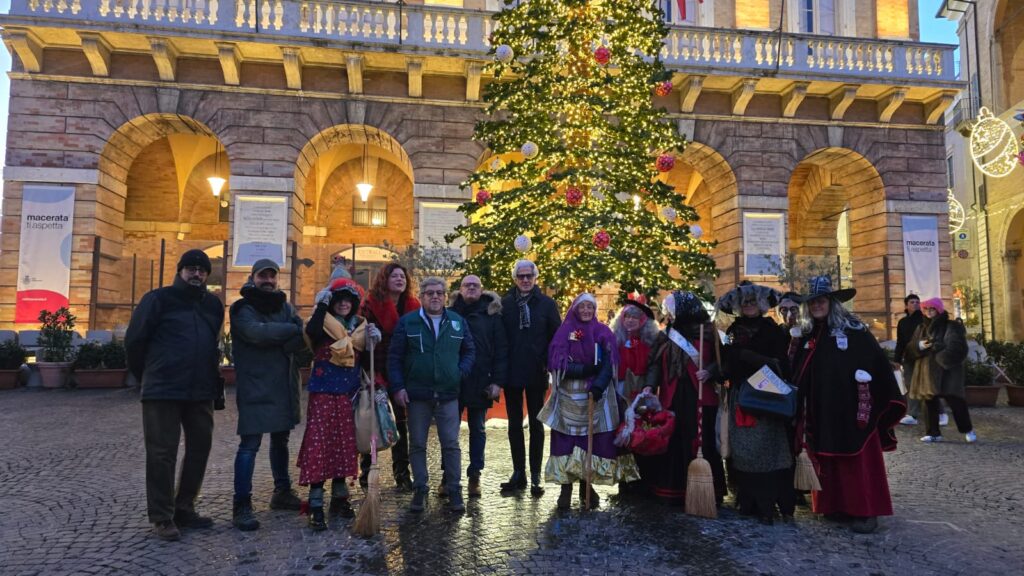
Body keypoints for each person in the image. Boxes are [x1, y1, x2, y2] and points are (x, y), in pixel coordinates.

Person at [792, 276, 905, 534]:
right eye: (812, 303)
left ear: (832, 302)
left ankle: (866, 511)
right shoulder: (809, 334)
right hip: (823, 409)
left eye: (821, 301)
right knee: (828, 458)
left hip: (854, 409)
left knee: (858, 460)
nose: (817, 306)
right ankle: (834, 506)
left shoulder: (855, 330)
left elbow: (876, 364)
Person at [125, 249, 224, 541]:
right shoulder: (157, 299)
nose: (196, 273)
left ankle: (185, 507)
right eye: (191, 268)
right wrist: (148, 376)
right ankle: (162, 516)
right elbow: (135, 342)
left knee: (200, 448)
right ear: (180, 271)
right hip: (163, 389)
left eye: (201, 270)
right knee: (161, 454)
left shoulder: (212, 305)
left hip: (201, 388)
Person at [539, 293, 639, 510]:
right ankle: (565, 489)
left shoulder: (603, 332)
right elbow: (558, 362)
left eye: (590, 307)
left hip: (594, 396)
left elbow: (607, 364)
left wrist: (598, 385)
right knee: (566, 442)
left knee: (589, 442)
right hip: (568, 397)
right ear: (575, 309)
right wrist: (582, 370)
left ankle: (586, 486)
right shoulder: (564, 332)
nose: (586, 311)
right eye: (582, 307)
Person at [229, 259, 307, 531]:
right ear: (253, 277)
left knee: (281, 441)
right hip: (256, 386)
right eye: (263, 276)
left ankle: (282, 491)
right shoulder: (242, 308)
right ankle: (241, 504)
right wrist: (288, 331)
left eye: (272, 276)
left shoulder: (285, 307)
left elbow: (301, 338)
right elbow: (255, 333)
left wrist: (285, 335)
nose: (269, 281)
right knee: (249, 446)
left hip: (283, 385)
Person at [298, 276, 381, 530]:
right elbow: (310, 334)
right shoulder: (321, 323)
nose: (343, 304)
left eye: (348, 300)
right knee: (320, 445)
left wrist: (373, 342)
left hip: (349, 393)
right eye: (339, 300)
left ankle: (339, 499)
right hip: (323, 393)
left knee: (345, 447)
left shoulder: (359, 326)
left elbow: (366, 359)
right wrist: (321, 306)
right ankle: (315, 503)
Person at [388, 277, 476, 513]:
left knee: (451, 443)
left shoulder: (457, 322)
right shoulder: (408, 323)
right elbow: (394, 357)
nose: (435, 296)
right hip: (417, 394)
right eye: (429, 293)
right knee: (417, 443)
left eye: (439, 292)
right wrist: (398, 387)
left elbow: (469, 350)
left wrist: (460, 372)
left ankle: (455, 488)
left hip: (448, 393)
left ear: (446, 296)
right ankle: (420, 488)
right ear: (422, 296)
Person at [717, 282, 793, 524]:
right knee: (742, 452)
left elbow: (781, 364)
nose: (749, 306)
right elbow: (727, 362)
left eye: (752, 302)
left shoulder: (773, 330)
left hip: (767, 398)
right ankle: (748, 501)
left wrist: (751, 357)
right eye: (745, 303)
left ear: (760, 304)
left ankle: (770, 503)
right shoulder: (732, 331)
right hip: (741, 397)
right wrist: (719, 371)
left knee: (768, 451)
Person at [643, 291, 725, 505]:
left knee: (700, 440)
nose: (668, 314)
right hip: (673, 395)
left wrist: (710, 371)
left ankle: (705, 490)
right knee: (675, 440)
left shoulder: (708, 331)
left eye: (672, 310)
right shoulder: (667, 334)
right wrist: (650, 386)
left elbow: (722, 360)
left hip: (700, 395)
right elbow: (654, 364)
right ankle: (673, 489)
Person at [500, 260, 561, 495]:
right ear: (515, 278)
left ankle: (535, 473)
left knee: (536, 425)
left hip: (536, 371)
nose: (525, 280)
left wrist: (548, 363)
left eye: (529, 276)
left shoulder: (546, 304)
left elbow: (556, 338)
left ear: (536, 278)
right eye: (521, 276)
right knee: (514, 425)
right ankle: (519, 472)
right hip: (512, 371)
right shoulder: (505, 304)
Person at [446, 275, 508, 498]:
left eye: (475, 285)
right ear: (460, 289)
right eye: (467, 285)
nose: (471, 288)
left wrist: (497, 382)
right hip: (454, 380)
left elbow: (501, 351)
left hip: (482, 380)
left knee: (478, 429)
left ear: (481, 290)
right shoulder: (450, 314)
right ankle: (448, 476)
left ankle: (475, 475)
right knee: (449, 431)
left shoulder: (491, 315)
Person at [360, 263, 420, 491]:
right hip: (377, 368)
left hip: (404, 372)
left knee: (401, 423)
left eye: (402, 276)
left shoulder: (413, 306)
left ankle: (402, 472)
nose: (399, 279)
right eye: (394, 276)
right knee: (373, 420)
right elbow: (359, 334)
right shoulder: (370, 304)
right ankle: (367, 470)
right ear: (384, 279)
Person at [907, 298, 977, 444]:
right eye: (925, 309)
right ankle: (933, 433)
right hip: (926, 372)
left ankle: (967, 429)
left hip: (947, 372)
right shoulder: (921, 328)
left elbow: (958, 347)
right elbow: (910, 349)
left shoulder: (951, 326)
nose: (928, 312)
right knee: (929, 402)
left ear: (938, 310)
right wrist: (919, 346)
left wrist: (939, 356)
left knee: (956, 402)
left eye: (931, 309)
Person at [611, 294, 658, 405]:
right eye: (627, 316)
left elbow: (654, 366)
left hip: (642, 386)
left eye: (635, 317)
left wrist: (649, 385)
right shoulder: (614, 338)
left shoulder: (651, 340)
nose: (630, 320)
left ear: (643, 320)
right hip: (619, 385)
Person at [893, 294, 929, 426]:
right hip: (909, 357)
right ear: (906, 305)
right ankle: (912, 413)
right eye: (912, 302)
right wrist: (897, 359)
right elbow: (900, 342)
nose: (915, 304)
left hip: (924, 357)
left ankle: (936, 412)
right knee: (910, 384)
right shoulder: (902, 322)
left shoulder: (924, 319)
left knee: (927, 383)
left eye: (917, 302)